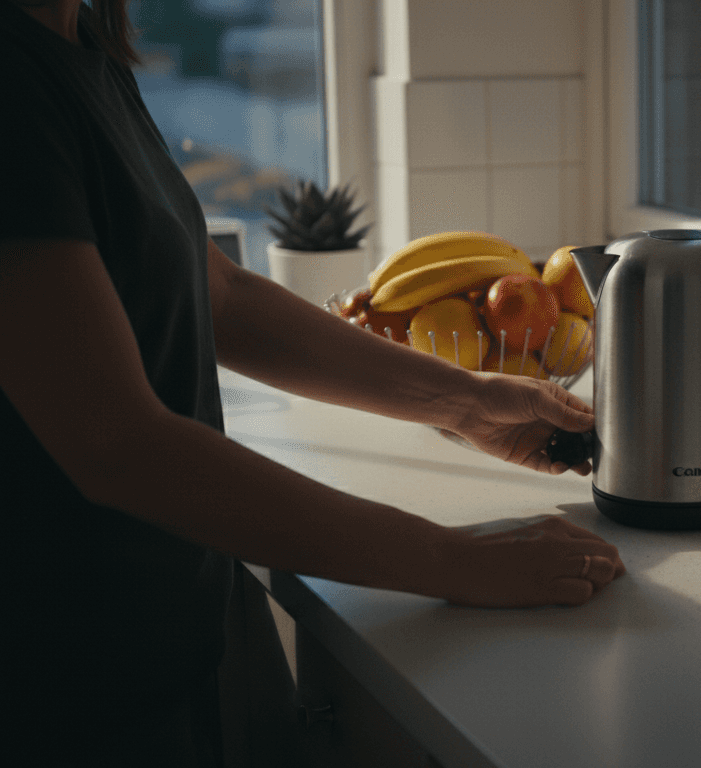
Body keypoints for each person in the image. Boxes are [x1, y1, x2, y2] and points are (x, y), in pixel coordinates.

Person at [0, 0, 624, 763]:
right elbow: (116, 443)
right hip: (61, 690)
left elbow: (221, 295)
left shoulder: (78, 43)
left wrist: (467, 401)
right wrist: (454, 561)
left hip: (158, 646)